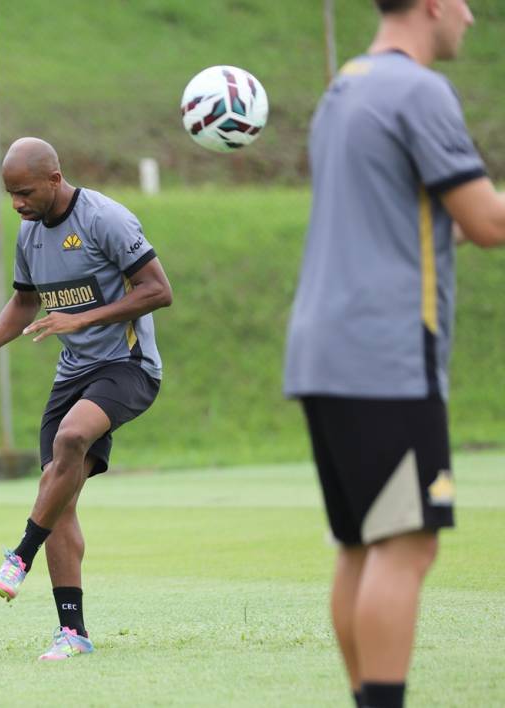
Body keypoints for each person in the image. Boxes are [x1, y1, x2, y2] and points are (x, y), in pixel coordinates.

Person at [283, 2, 505, 706]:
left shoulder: (344, 88)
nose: (471, 16)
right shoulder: (418, 89)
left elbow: (422, 221)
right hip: (386, 354)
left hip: (322, 351)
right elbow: (488, 222)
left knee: (362, 545)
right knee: (407, 544)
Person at [0, 137, 172, 660]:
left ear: (54, 178)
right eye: (9, 193)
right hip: (73, 375)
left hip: (127, 365)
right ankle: (73, 633)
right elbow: (24, 303)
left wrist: (82, 319)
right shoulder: (29, 233)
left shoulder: (105, 219)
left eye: (24, 192)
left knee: (71, 438)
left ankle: (20, 555)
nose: (16, 203)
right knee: (59, 499)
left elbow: (159, 290)